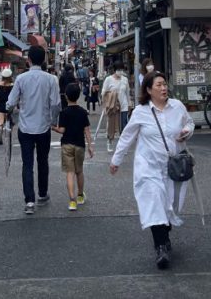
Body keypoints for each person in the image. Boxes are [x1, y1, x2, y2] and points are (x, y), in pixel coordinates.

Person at [110, 70, 194, 269]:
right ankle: (161, 247)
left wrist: (186, 132)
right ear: (148, 90)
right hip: (149, 167)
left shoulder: (177, 107)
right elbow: (127, 136)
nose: (163, 88)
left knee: (169, 206)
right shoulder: (141, 112)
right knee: (154, 202)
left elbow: (189, 123)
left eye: (165, 84)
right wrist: (116, 160)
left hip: (173, 167)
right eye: (158, 85)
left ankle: (164, 233)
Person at [6, 44, 61, 214]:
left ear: (28, 60)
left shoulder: (21, 79)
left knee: (27, 164)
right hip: (44, 127)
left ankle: (29, 200)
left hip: (25, 127)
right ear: (44, 59)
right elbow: (56, 104)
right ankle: (42, 193)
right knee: (43, 161)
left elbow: (10, 102)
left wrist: (9, 110)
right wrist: (52, 121)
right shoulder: (51, 79)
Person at [53, 83, 94, 211]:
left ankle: (72, 201)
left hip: (67, 145)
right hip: (80, 145)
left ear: (66, 96)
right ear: (78, 96)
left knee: (69, 173)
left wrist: (53, 127)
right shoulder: (82, 112)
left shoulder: (64, 113)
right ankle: (80, 195)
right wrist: (90, 146)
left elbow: (62, 130)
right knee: (79, 171)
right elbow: (87, 130)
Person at [100, 64, 130, 151]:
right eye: (119, 70)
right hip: (113, 107)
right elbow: (103, 92)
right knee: (111, 126)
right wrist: (107, 102)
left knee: (123, 127)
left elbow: (127, 93)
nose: (121, 72)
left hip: (123, 106)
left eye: (122, 70)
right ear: (115, 70)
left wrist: (129, 104)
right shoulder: (109, 79)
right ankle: (109, 143)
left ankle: (123, 147)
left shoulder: (125, 79)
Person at [0, 68, 14, 145]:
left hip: (1, 106)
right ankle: (8, 135)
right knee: (9, 121)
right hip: (9, 105)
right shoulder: (12, 85)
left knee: (0, 122)